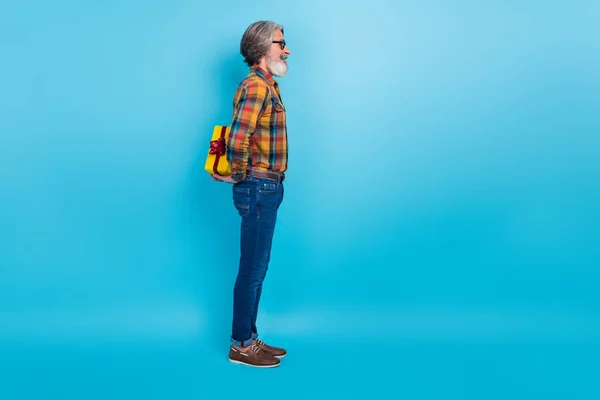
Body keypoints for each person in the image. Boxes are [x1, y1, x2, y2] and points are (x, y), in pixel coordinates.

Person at [211, 20, 290, 368]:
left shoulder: (268, 86)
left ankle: (249, 336)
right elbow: (239, 138)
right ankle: (241, 345)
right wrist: (242, 178)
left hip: (266, 186)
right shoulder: (256, 87)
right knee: (252, 268)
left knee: (258, 267)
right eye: (280, 43)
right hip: (259, 186)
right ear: (262, 48)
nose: (286, 49)